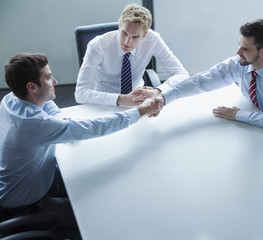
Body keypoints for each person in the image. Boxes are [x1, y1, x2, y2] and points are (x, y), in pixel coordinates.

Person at [0, 53, 161, 224]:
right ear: (32, 87)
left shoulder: (11, 99)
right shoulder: (36, 124)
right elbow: (95, 126)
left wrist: (63, 124)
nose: (55, 82)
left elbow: (44, 101)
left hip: (24, 181)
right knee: (98, 215)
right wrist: (140, 111)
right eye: (48, 78)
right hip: (24, 204)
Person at [158, 19, 263, 137]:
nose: (238, 52)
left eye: (245, 48)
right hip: (252, 131)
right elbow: (202, 80)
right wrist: (163, 98)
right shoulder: (238, 63)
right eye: (239, 46)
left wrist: (238, 115)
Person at [74, 3, 189, 106]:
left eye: (135, 37)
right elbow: (80, 93)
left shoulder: (153, 40)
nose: (126, 41)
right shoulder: (98, 45)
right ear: (119, 27)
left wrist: (157, 90)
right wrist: (123, 99)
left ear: (144, 36)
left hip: (137, 101)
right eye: (124, 33)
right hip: (103, 101)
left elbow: (182, 74)